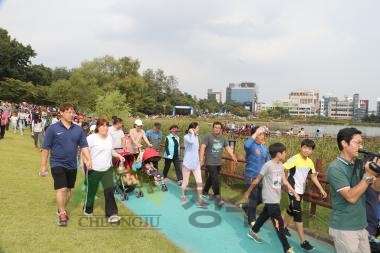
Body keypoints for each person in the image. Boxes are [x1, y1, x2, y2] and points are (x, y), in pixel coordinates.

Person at [328, 127, 380, 253]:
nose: (361, 146)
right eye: (357, 142)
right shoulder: (335, 168)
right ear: (344, 143)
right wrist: (367, 175)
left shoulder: (358, 164)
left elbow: (375, 187)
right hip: (344, 228)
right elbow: (351, 197)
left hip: (362, 226)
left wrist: (377, 172)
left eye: (361, 143)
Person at [39, 103, 92, 226]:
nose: (71, 114)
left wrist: (88, 159)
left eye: (72, 112)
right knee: (61, 188)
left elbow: (84, 146)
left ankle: (61, 208)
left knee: (68, 190)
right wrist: (43, 165)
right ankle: (62, 213)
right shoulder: (53, 129)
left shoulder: (78, 129)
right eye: (68, 112)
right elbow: (46, 148)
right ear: (61, 113)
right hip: (57, 163)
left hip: (72, 164)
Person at [244, 142, 299, 253]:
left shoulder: (281, 166)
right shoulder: (268, 165)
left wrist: (294, 192)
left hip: (275, 198)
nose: (285, 154)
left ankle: (253, 232)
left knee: (264, 216)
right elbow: (258, 179)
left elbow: (284, 181)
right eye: (284, 152)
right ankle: (287, 248)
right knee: (279, 225)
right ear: (278, 154)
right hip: (270, 199)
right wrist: (249, 191)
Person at [283, 139, 327, 251]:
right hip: (293, 191)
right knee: (298, 213)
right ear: (301, 147)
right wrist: (287, 185)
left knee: (292, 209)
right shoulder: (294, 159)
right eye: (305, 147)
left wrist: (321, 189)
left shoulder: (310, 162)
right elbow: (282, 169)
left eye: (310, 149)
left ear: (312, 151)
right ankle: (303, 241)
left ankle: (283, 228)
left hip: (301, 190)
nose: (307, 150)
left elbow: (313, 176)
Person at [84, 118, 125, 223]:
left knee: (109, 190)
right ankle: (88, 209)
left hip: (107, 168)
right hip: (94, 169)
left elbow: (111, 150)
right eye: (102, 125)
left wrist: (119, 156)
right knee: (91, 192)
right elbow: (85, 151)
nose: (105, 127)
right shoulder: (91, 138)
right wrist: (87, 161)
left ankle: (112, 214)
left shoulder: (109, 138)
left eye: (106, 125)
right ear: (98, 127)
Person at [200, 121, 237, 206]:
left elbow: (227, 147)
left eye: (219, 128)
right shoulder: (207, 137)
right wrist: (201, 160)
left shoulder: (223, 138)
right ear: (213, 128)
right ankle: (218, 197)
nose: (217, 129)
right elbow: (202, 148)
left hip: (218, 163)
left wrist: (232, 155)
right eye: (215, 127)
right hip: (210, 162)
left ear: (221, 129)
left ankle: (205, 191)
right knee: (216, 179)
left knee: (211, 177)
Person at [241, 126, 270, 228]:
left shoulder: (264, 147)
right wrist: (256, 132)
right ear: (255, 135)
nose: (262, 136)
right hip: (251, 177)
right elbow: (246, 144)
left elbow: (268, 161)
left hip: (261, 178)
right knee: (253, 199)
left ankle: (246, 207)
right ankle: (252, 220)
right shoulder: (251, 146)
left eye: (263, 134)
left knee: (262, 198)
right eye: (260, 134)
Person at [181, 122, 206, 208]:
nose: (198, 129)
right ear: (192, 129)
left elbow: (197, 149)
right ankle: (183, 194)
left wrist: (200, 160)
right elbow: (191, 142)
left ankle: (200, 201)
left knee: (199, 182)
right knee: (185, 182)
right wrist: (191, 133)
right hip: (187, 163)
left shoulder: (196, 136)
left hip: (196, 163)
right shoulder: (186, 137)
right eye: (197, 128)